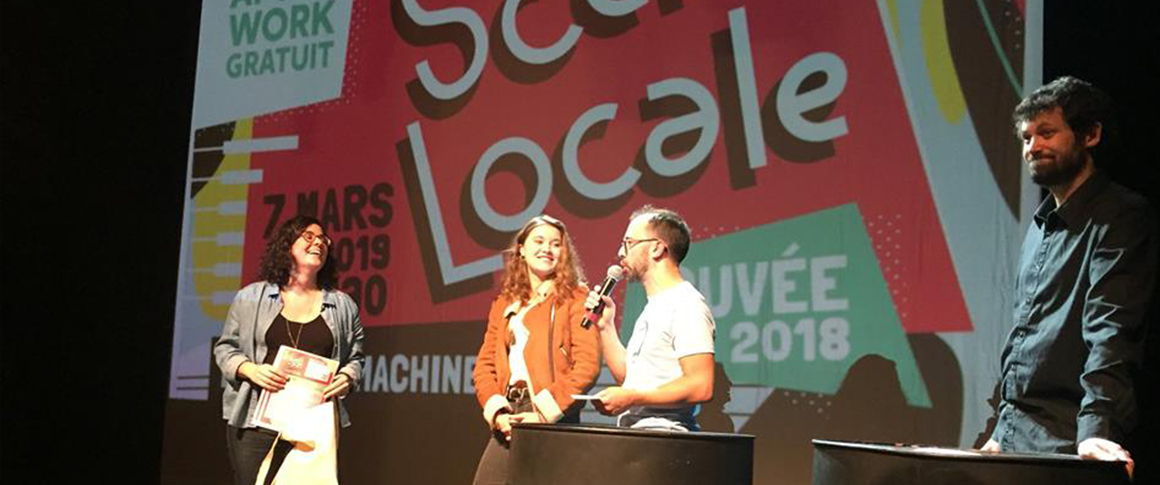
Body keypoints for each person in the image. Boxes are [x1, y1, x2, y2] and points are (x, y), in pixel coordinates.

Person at [980, 77, 1156, 477]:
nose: (1032, 147)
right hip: (1017, 440)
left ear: (1090, 134)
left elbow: (1111, 329)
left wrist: (1097, 429)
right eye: (1026, 137)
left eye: (1046, 133)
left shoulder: (1121, 215)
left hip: (1069, 443)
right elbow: (1025, 338)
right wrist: (1002, 429)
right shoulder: (1040, 225)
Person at [214, 215, 366, 485]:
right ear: (287, 245)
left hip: (313, 424)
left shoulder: (343, 306)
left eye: (323, 239)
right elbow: (226, 348)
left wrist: (346, 378)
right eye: (308, 236)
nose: (318, 242)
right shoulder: (251, 298)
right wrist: (250, 369)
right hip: (256, 422)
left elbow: (355, 359)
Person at [471, 215, 601, 485]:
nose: (547, 249)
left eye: (556, 244)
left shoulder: (576, 297)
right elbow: (484, 366)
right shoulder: (504, 303)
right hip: (510, 412)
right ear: (522, 248)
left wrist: (542, 413)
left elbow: (587, 367)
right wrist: (499, 414)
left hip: (552, 416)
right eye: (539, 241)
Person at [586, 205, 715, 431]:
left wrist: (632, 397)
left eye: (629, 243)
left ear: (656, 248)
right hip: (639, 435)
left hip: (665, 437)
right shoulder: (654, 306)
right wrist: (605, 326)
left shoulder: (686, 303)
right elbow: (631, 380)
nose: (620, 252)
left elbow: (701, 385)